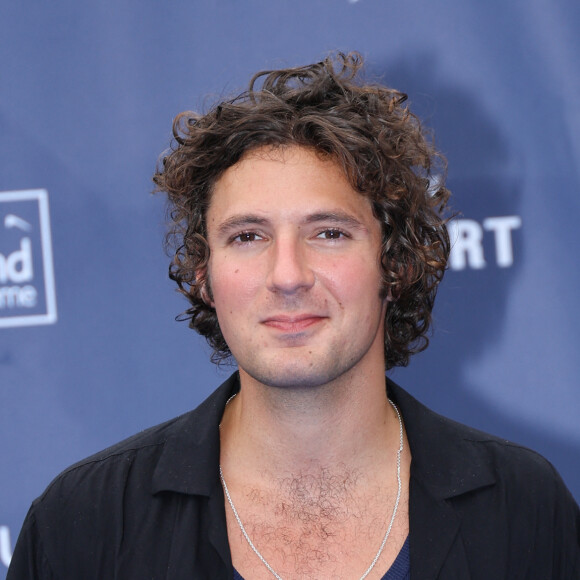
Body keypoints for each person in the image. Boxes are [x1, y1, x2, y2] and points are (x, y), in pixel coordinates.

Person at [7, 53, 579, 579]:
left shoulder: (523, 507)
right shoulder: (84, 525)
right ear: (205, 274)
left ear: (395, 261)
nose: (287, 275)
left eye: (328, 233)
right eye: (248, 236)